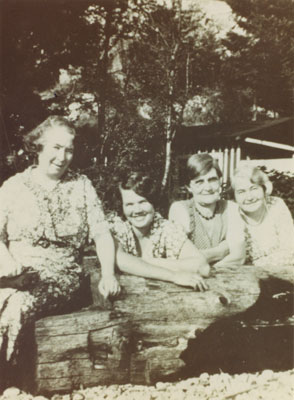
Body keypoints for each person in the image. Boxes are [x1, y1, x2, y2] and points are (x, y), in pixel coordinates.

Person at [0, 116, 120, 385]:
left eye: (69, 149)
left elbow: (101, 233)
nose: (62, 156)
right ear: (38, 146)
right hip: (13, 274)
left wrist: (108, 273)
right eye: (55, 147)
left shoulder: (81, 186)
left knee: (18, 304)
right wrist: (7, 263)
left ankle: (6, 379)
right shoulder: (13, 187)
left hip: (58, 276)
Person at [108, 171, 210, 291]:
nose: (137, 210)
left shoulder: (166, 228)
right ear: (122, 207)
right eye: (129, 204)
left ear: (153, 202)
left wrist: (142, 262)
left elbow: (202, 267)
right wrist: (174, 275)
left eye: (143, 202)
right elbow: (119, 259)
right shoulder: (117, 228)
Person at [169, 153, 245, 266]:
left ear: (219, 181)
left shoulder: (231, 208)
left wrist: (208, 267)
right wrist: (222, 250)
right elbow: (180, 258)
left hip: (226, 277)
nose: (208, 188)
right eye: (199, 182)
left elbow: (239, 257)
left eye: (212, 180)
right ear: (189, 187)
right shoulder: (180, 210)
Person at [230, 164, 294, 267]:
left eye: (254, 188)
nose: (249, 197)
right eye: (241, 192)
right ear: (235, 196)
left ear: (264, 189)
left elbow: (291, 250)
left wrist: (256, 265)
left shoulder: (276, 205)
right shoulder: (232, 214)